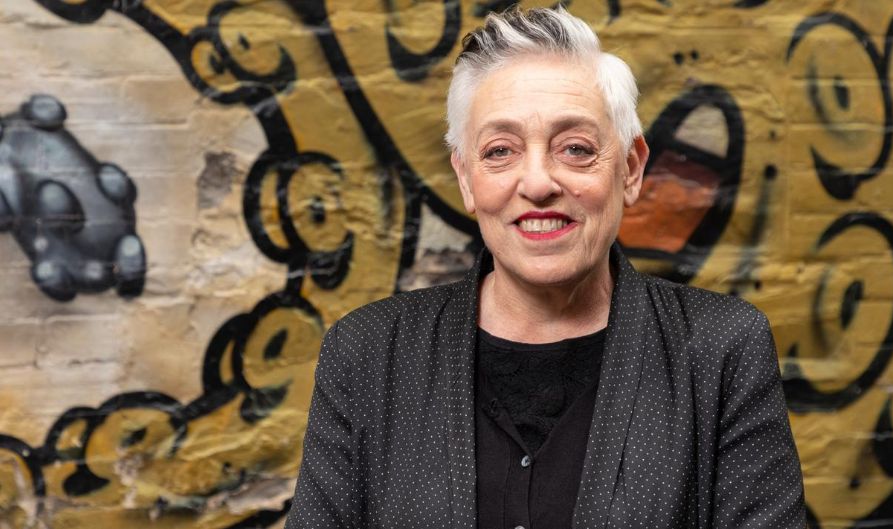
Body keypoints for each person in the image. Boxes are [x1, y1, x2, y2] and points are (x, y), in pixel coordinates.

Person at [285, 7, 805, 529]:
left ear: (630, 169)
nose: (537, 183)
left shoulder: (720, 350)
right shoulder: (368, 354)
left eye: (575, 149)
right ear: (466, 178)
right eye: (500, 151)